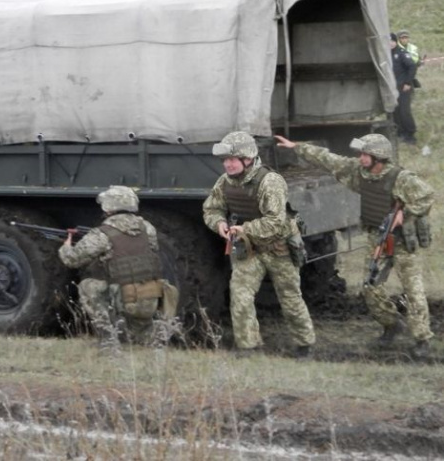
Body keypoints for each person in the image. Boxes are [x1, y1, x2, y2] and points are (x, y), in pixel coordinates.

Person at [275, 133, 434, 358]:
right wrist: (296, 147)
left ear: (378, 157)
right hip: (377, 237)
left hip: (401, 241)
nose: (360, 157)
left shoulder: (401, 178)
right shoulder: (357, 171)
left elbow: (427, 195)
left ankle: (422, 339)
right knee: (370, 287)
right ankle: (392, 324)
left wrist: (405, 214)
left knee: (413, 289)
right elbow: (328, 159)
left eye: (365, 154)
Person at [202, 131, 315, 359]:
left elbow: (275, 221)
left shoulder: (270, 182)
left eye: (232, 159)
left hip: (279, 248)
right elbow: (211, 208)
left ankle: (305, 345)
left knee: (290, 298)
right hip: (248, 249)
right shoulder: (225, 182)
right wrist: (220, 223)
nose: (228, 164)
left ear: (248, 158)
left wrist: (246, 229)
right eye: (225, 160)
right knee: (240, 296)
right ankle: (249, 347)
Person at [58, 185, 179, 352]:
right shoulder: (148, 228)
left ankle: (108, 340)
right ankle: (154, 335)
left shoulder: (102, 234)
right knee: (139, 332)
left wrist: (66, 245)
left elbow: (71, 259)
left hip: (123, 299)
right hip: (150, 297)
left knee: (88, 286)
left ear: (109, 207)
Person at [390, 32, 418, 144]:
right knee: (395, 111)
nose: (390, 44)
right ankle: (400, 132)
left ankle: (411, 134)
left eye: (392, 41)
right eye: (387, 42)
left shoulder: (401, 53)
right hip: (393, 88)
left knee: (404, 111)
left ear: (395, 41)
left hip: (404, 87)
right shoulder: (387, 54)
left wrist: (407, 83)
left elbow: (412, 66)